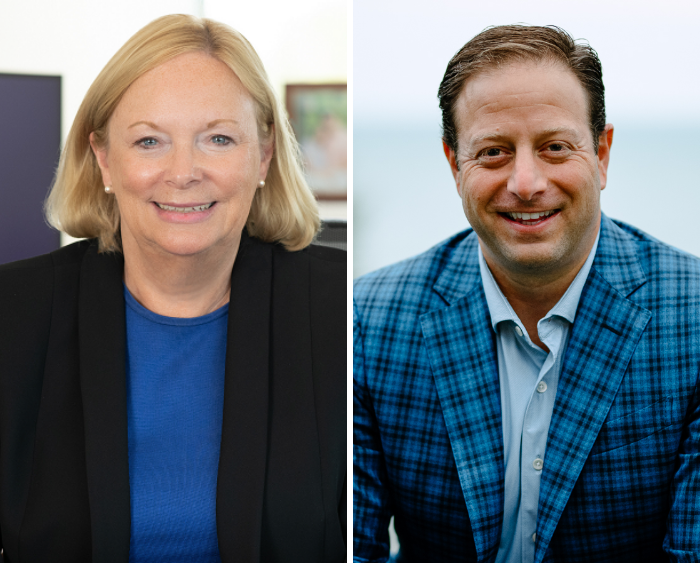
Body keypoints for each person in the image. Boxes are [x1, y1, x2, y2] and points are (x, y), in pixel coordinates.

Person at [0, 14, 346, 563]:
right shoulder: (13, 316)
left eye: (217, 138)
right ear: (104, 158)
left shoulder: (345, 311)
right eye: (150, 140)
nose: (183, 172)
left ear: (263, 155)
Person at [353, 24, 700, 562]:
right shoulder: (368, 322)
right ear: (454, 164)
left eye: (555, 147)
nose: (526, 181)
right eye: (493, 152)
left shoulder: (693, 316)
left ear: (602, 153)